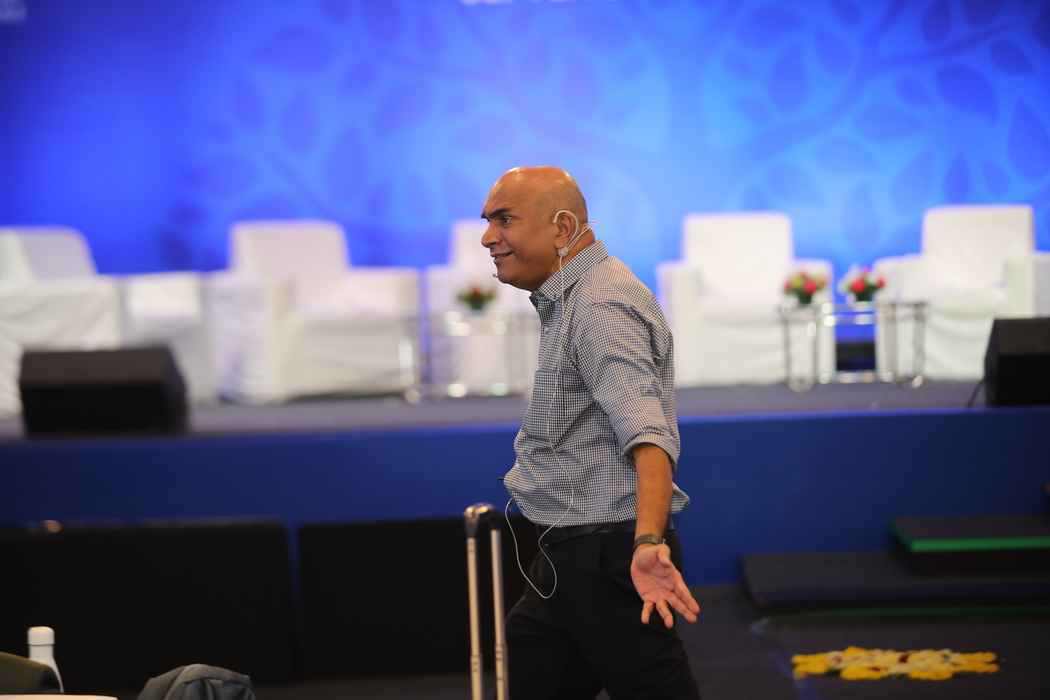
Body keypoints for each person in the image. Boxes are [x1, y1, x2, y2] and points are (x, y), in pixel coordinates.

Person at [481, 166, 702, 699]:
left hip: (610, 556)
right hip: (572, 553)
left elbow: (648, 436)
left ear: (562, 228)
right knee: (531, 649)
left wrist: (647, 543)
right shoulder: (574, 296)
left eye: (504, 220)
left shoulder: (600, 305)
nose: (488, 238)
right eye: (488, 221)